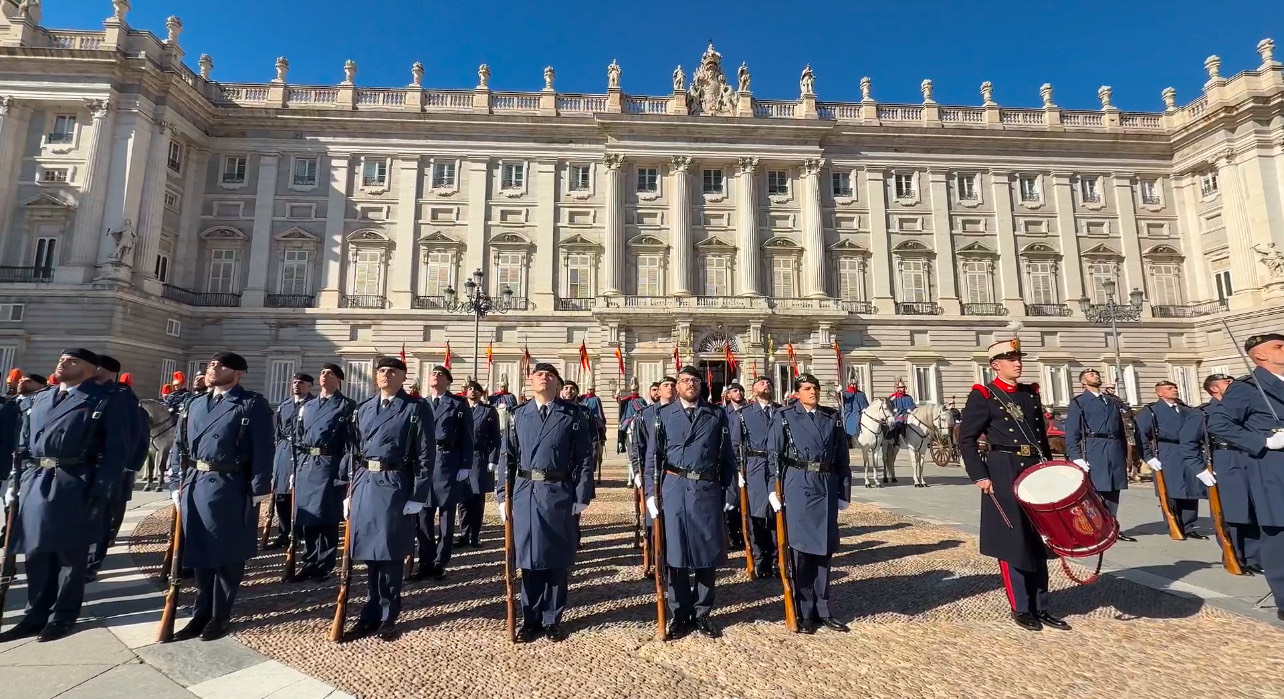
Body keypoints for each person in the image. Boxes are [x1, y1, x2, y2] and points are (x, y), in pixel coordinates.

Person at [0, 349, 132, 643]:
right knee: (35, 552)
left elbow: (116, 451)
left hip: (75, 481)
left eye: (72, 361)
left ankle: (63, 616)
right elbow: (23, 444)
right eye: (61, 359)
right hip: (36, 480)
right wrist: (15, 481)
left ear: (91, 370)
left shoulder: (104, 400)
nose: (63, 363)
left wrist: (100, 491)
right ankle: (34, 614)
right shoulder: (40, 398)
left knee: (70, 556)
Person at [957, 337, 1068, 632]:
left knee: (1039, 539)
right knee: (1013, 541)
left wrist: (1049, 467)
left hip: (1034, 470)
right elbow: (966, 440)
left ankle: (1042, 606)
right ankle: (1021, 607)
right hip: (1004, 469)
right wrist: (980, 475)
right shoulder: (984, 395)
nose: (1018, 364)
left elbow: (1040, 438)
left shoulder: (1030, 394)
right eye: (1011, 360)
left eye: (1019, 359)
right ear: (996, 365)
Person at [166, 353, 273, 642]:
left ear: (239, 373)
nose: (213, 368)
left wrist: (259, 488)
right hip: (195, 482)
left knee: (226, 553)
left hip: (229, 483)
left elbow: (263, 448)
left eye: (221, 365)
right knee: (200, 552)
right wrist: (176, 481)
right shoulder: (195, 403)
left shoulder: (251, 404)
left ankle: (220, 614)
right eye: (211, 364)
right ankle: (200, 612)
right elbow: (180, 445)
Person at [496, 363, 594, 642]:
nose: (543, 377)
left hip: (558, 488)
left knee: (556, 557)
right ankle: (530, 618)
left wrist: (581, 494)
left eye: (549, 375)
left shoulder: (574, 415)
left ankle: (552, 618)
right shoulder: (517, 415)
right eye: (538, 374)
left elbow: (584, 458)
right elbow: (507, 457)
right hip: (526, 490)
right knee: (528, 557)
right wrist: (503, 496)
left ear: (557, 383)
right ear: (530, 381)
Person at [343, 356, 434, 640]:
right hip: (365, 482)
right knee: (370, 552)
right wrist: (350, 491)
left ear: (403, 377)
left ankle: (387, 613)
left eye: (391, 371)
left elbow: (425, 455)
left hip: (395, 482)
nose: (384, 375)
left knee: (390, 551)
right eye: (380, 371)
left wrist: (418, 494)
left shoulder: (415, 408)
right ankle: (370, 609)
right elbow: (353, 451)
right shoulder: (365, 408)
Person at [644, 366, 737, 640]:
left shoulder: (716, 415)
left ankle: (703, 612)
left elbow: (728, 458)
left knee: (706, 553)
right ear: (677, 386)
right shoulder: (662, 415)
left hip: (707, 486)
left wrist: (730, 492)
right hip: (674, 486)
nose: (690, 384)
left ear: (701, 385)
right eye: (685, 380)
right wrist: (651, 493)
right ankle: (679, 613)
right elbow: (652, 459)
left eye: (695, 380)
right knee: (676, 554)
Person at [767, 373, 851, 633]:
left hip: (825, 483)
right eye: (806, 388)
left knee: (824, 553)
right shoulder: (784, 417)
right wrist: (773, 489)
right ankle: (803, 610)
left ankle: (823, 609)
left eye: (814, 388)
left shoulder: (830, 417)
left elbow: (842, 457)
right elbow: (774, 455)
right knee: (801, 554)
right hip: (798, 484)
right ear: (796, 393)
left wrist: (843, 491)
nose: (813, 392)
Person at [1208, 333, 1284, 619]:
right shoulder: (1247, 388)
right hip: (1274, 466)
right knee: (1279, 534)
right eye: (1279, 346)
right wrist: (1263, 441)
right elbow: (1219, 423)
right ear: (1260, 355)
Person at [288, 364, 354, 582]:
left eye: (330, 374)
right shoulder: (308, 406)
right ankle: (308, 561)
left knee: (327, 517)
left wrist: (343, 473)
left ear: (339, 380)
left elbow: (350, 445)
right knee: (307, 517)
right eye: (323, 372)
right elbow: (297, 438)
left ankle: (324, 565)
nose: (325, 376)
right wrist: (295, 468)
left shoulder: (346, 406)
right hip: (306, 465)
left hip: (329, 465)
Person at [87, 355, 147, 580]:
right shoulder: (86, 393)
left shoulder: (123, 398)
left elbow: (136, 434)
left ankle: (92, 562)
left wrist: (130, 466)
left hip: (109, 464)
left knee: (100, 515)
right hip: (82, 467)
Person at [415, 365, 473, 581]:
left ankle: (440, 562)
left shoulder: (457, 403)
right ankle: (425, 562)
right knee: (423, 517)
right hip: (425, 463)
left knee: (446, 517)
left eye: (440, 374)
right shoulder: (421, 404)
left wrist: (465, 465)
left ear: (448, 381)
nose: (435, 377)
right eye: (433, 374)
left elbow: (468, 437)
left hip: (448, 462)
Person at [1064, 368, 1135, 541]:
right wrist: (1076, 456)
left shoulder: (1111, 401)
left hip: (1114, 446)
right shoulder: (1079, 402)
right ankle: (1095, 527)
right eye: (1090, 375)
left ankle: (1111, 526)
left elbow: (1126, 417)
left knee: (1114, 489)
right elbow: (1072, 432)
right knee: (1097, 490)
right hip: (1094, 446)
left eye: (1096, 374)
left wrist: (1116, 397)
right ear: (1083, 383)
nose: (1096, 376)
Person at [1202, 373, 1261, 573]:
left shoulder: (1244, 407)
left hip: (1248, 459)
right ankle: (1234, 556)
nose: (1233, 385)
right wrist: (1199, 469)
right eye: (1227, 383)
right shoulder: (1204, 412)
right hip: (1224, 461)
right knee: (1231, 513)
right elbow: (1189, 443)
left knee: (1252, 510)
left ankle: (1254, 558)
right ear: (1214, 389)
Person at [1135, 380, 1208, 539]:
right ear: (1160, 393)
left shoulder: (1186, 410)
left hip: (1187, 450)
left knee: (1190, 488)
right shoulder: (1151, 411)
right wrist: (1148, 456)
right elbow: (1140, 434)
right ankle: (1173, 523)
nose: (1174, 390)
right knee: (1171, 489)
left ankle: (1189, 525)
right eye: (1169, 388)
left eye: (1175, 387)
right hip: (1166, 450)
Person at [630, 376, 675, 576]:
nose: (671, 389)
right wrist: (637, 473)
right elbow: (636, 446)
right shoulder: (646, 415)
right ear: (658, 390)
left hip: (674, 473)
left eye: (674, 385)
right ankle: (657, 560)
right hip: (652, 473)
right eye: (666, 385)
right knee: (653, 520)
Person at [266, 374, 315, 550]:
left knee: (300, 494)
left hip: (302, 450)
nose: (297, 385)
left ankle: (300, 533)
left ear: (309, 386)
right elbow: (278, 430)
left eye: (301, 383)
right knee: (281, 494)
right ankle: (284, 532)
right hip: (284, 450)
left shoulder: (313, 405)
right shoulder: (284, 405)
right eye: (294, 382)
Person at [736, 376, 779, 579]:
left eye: (769, 383)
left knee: (778, 514)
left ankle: (779, 557)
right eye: (762, 383)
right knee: (757, 516)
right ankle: (762, 559)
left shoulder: (782, 412)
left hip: (778, 466)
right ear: (753, 391)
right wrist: (738, 470)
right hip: (755, 466)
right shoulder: (744, 414)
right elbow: (736, 444)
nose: (767, 385)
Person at [457, 380, 499, 548]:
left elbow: (495, 438)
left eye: (476, 389)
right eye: (470, 389)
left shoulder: (488, 411)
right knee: (462, 499)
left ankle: (474, 535)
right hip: (461, 458)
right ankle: (463, 534)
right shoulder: (460, 409)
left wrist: (492, 460)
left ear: (481, 393)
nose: (472, 391)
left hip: (479, 458)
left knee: (476, 499)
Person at [722, 382, 749, 551]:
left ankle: (747, 533)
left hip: (749, 460)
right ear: (728, 395)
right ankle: (733, 535)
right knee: (731, 500)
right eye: (734, 391)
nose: (738, 393)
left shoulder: (751, 411)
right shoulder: (724, 413)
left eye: (740, 390)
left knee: (748, 500)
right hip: (730, 461)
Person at [840, 381, 870, 449]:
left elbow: (866, 406)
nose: (853, 386)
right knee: (853, 424)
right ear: (849, 384)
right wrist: (838, 392)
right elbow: (839, 399)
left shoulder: (861, 394)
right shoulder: (845, 394)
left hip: (861, 414)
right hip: (849, 415)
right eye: (852, 384)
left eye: (855, 384)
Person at [888, 379, 916, 445]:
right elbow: (889, 406)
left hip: (908, 414)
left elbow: (913, 405)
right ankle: (896, 440)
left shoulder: (908, 397)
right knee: (898, 423)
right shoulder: (893, 397)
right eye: (901, 387)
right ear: (898, 388)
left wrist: (910, 409)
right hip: (898, 415)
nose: (903, 389)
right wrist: (894, 409)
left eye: (904, 387)